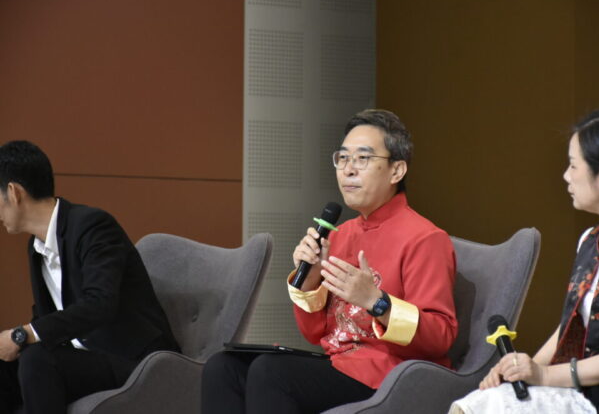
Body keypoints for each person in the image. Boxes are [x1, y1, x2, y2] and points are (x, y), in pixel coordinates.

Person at [201, 109, 458, 413]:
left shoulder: (425, 238)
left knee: (271, 372)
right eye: (343, 158)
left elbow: (440, 336)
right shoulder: (341, 234)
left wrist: (377, 302)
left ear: (396, 171)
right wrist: (311, 279)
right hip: (338, 364)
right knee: (222, 367)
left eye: (363, 158)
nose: (348, 169)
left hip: (388, 376)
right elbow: (314, 333)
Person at [450, 108, 599, 414]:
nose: (565, 176)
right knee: (474, 404)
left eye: (573, 165)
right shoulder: (592, 240)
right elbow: (571, 323)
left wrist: (544, 375)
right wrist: (520, 370)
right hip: (579, 386)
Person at [0, 141, 179, 414]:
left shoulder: (93, 226)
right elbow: (48, 316)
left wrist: (22, 335)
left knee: (37, 359)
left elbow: (100, 304)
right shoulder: (36, 247)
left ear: (14, 192)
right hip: (83, 359)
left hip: (135, 361)